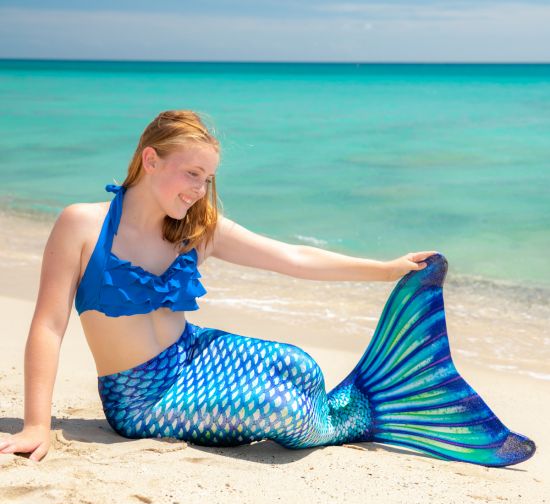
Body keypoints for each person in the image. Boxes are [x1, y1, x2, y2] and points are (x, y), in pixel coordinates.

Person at [0, 110, 535, 466]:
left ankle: (378, 396)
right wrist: (37, 425)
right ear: (150, 159)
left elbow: (292, 258)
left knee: (300, 366)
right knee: (284, 411)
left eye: (207, 178)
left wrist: (385, 268)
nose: (198, 190)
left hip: (191, 354)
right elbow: (48, 325)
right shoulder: (83, 225)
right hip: (141, 399)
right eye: (191, 173)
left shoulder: (195, 228)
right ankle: (384, 411)